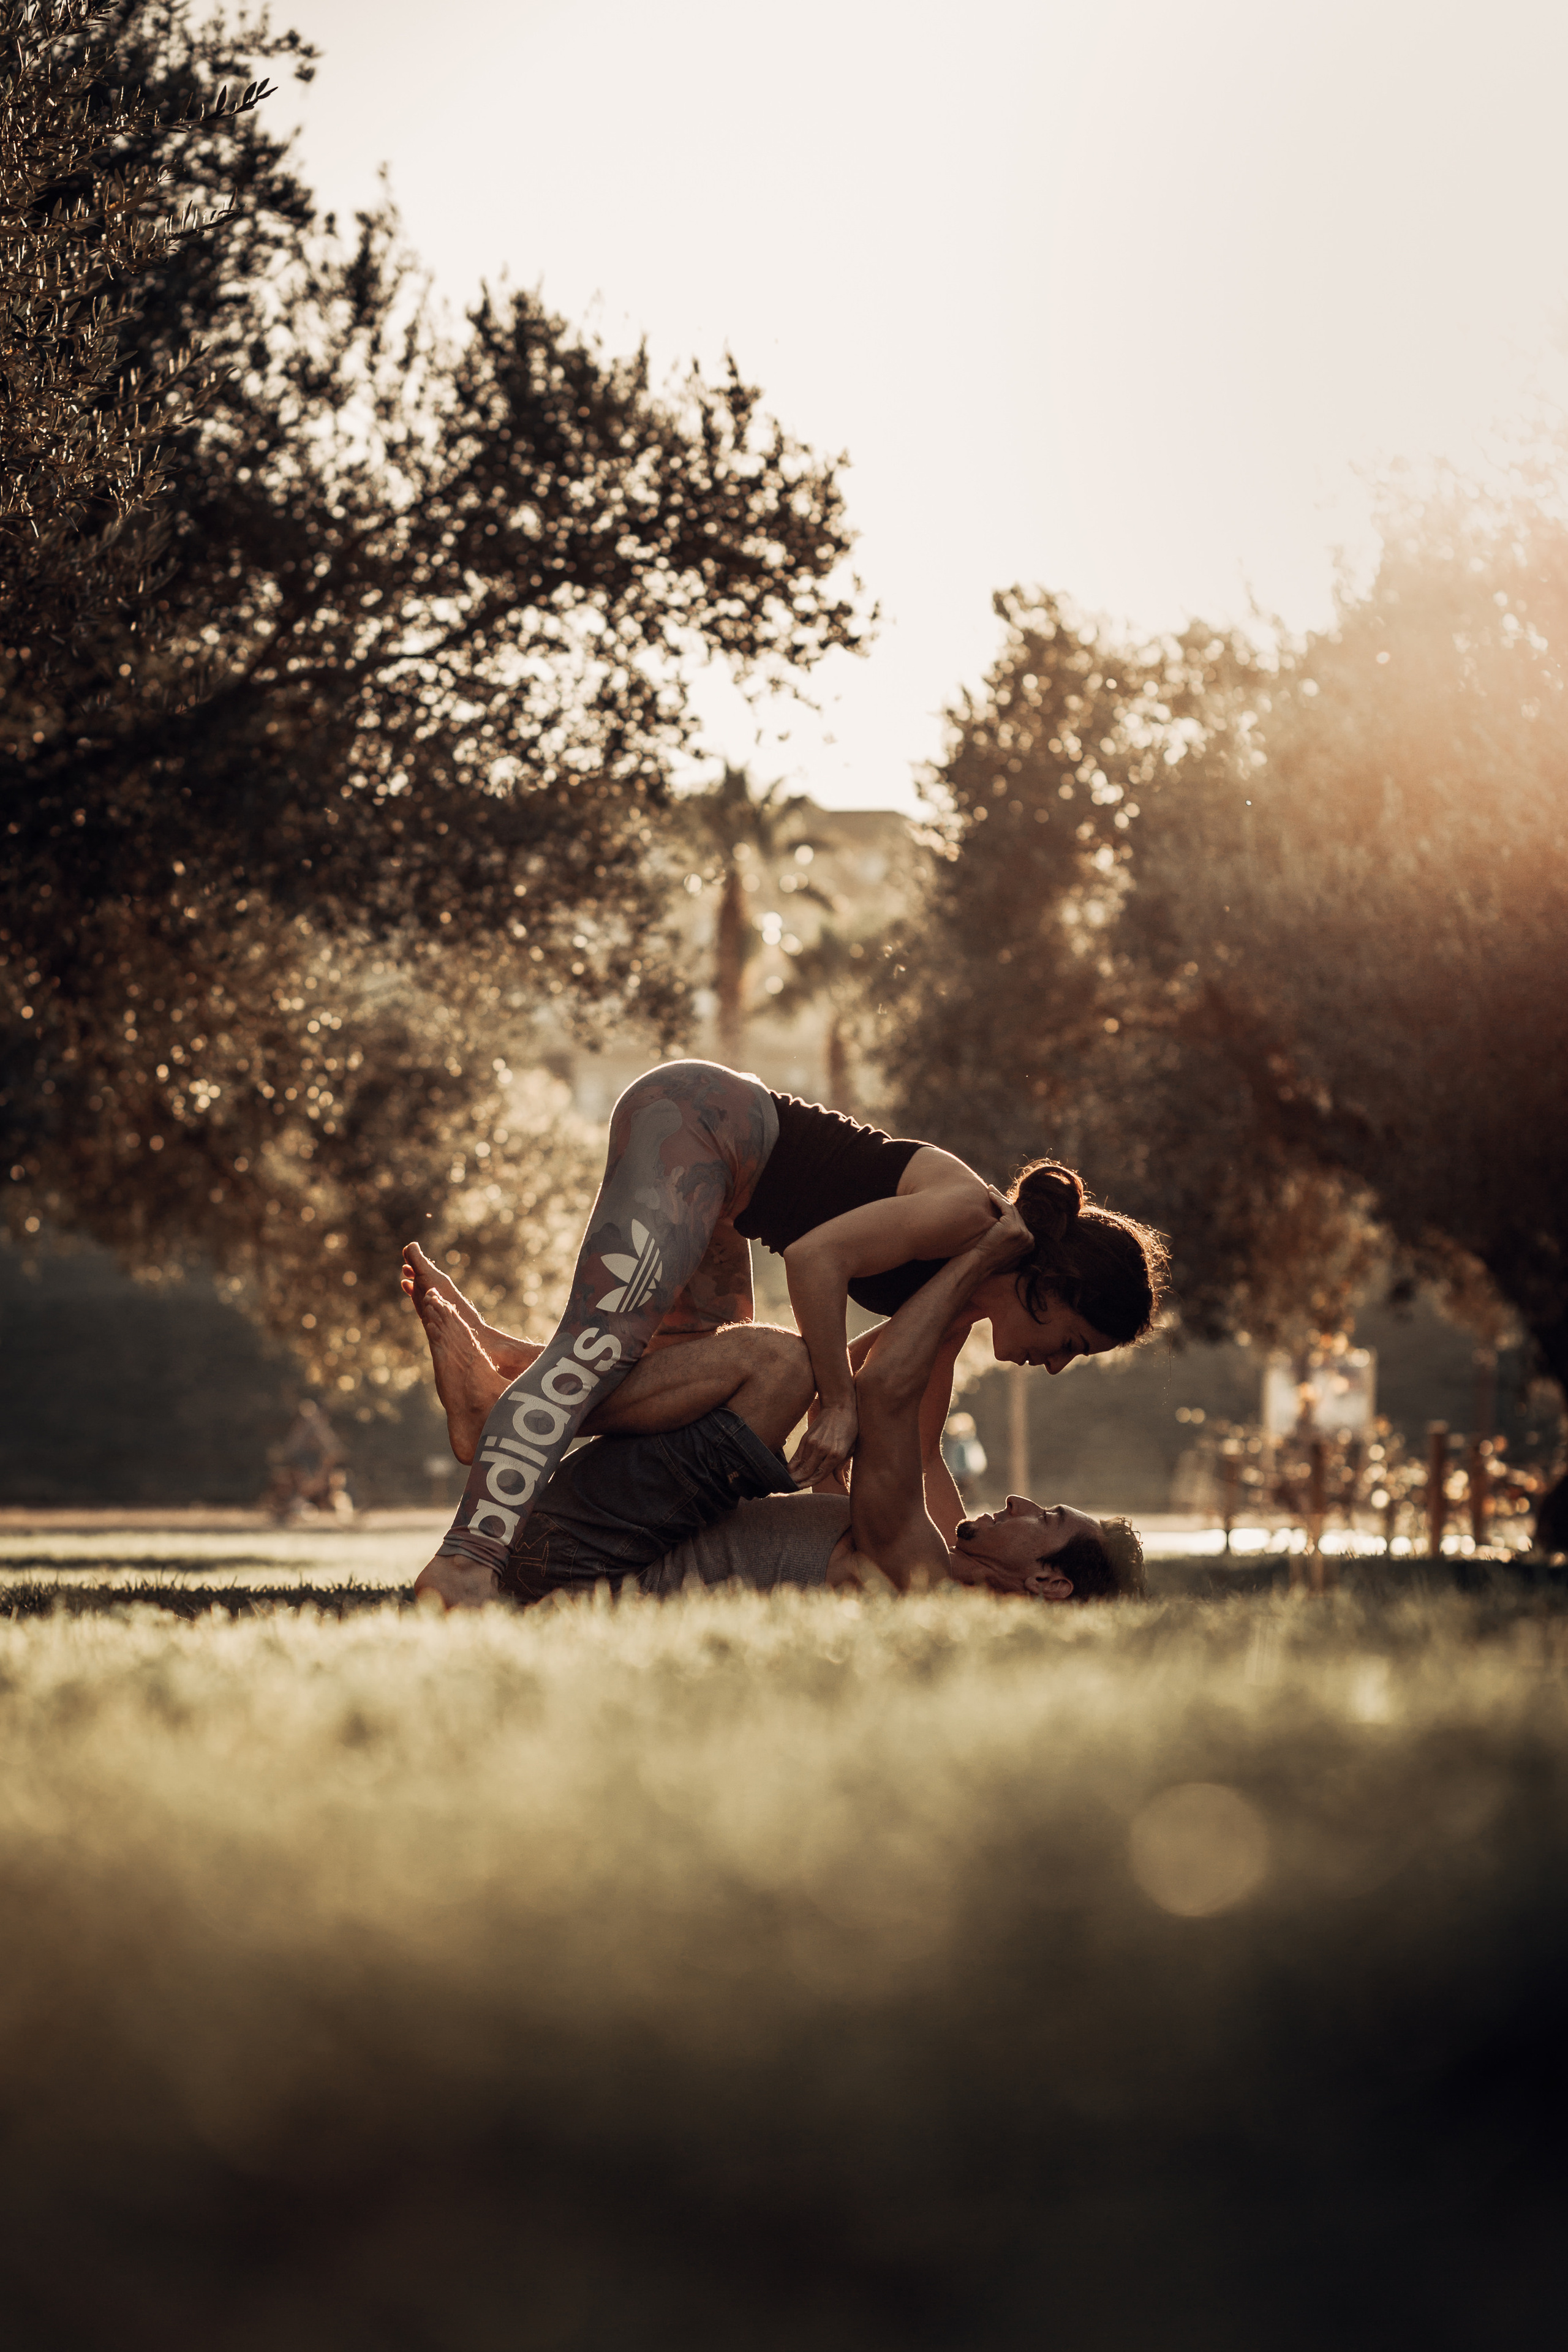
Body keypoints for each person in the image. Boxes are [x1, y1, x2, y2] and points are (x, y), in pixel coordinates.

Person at [410, 1060, 1166, 1597]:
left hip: (727, 1193)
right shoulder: (968, 1217)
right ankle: (469, 1551)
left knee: (700, 1380)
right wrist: (833, 1401)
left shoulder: (955, 1304)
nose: (1057, 1365)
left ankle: (513, 1382)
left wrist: (953, 1554)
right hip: (697, 1123)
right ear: (1053, 1286)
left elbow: (912, 1441)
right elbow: (815, 1260)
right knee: (608, 1349)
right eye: (1073, 1344)